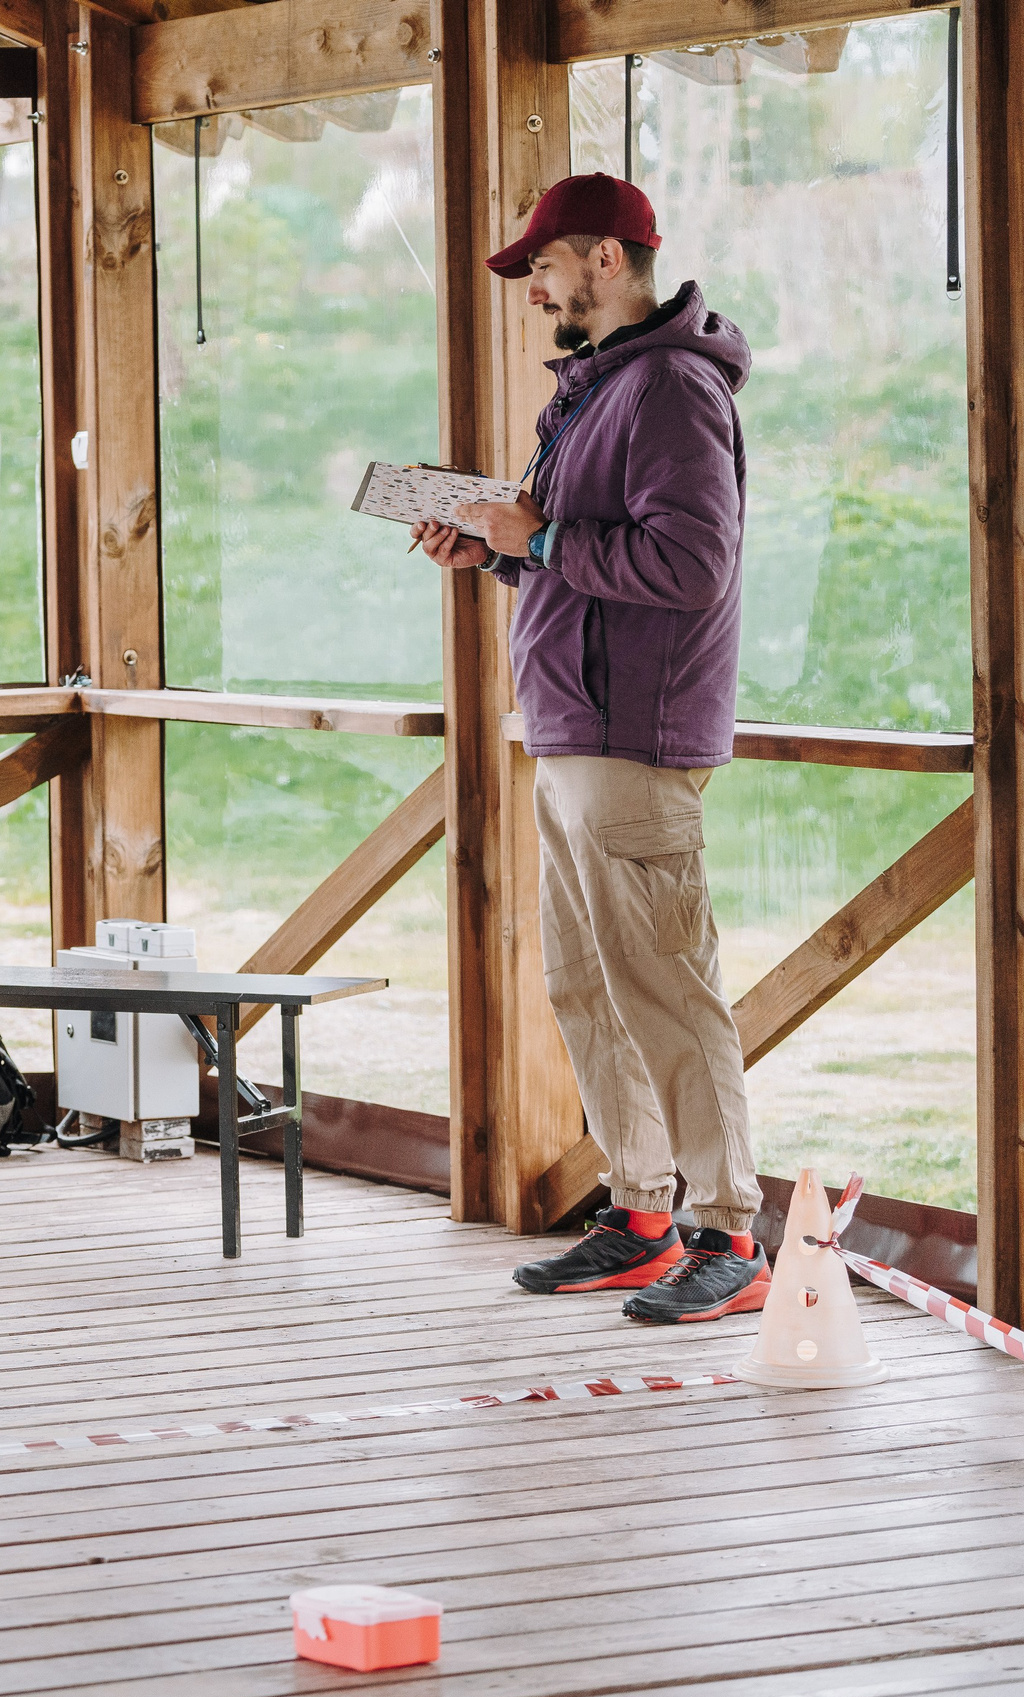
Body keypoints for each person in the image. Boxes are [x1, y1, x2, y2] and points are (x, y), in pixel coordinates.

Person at [413, 174, 770, 1324]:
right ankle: (641, 1213)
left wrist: (543, 533)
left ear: (607, 258)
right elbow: (591, 555)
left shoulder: (666, 386)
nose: (533, 291)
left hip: (633, 733)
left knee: (665, 990)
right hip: (575, 728)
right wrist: (501, 554)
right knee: (586, 987)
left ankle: (730, 1233)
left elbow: (689, 567)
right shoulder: (602, 386)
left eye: (544, 268)